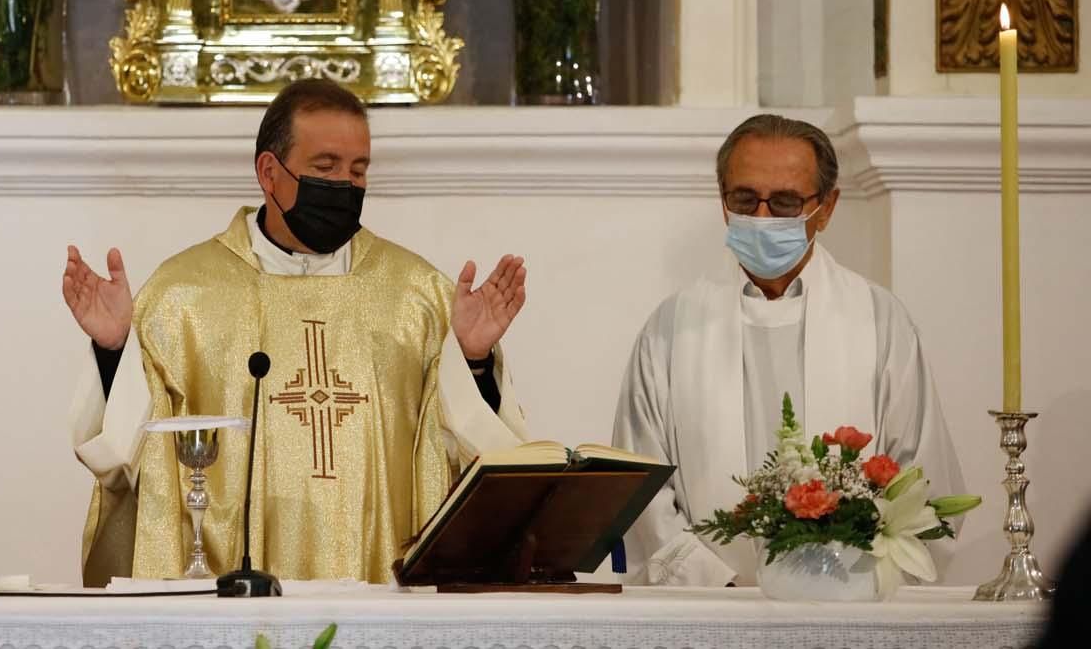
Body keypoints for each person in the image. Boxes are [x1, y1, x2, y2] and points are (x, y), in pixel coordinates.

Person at [66, 80, 530, 585]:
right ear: (270, 172)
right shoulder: (183, 295)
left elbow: (475, 465)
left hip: (379, 591)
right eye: (325, 168)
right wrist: (115, 350)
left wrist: (474, 359)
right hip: (229, 601)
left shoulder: (418, 297)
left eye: (358, 171)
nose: (345, 187)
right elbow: (125, 458)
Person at [612, 114, 963, 586]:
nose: (761, 219)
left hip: (847, 610)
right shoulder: (670, 330)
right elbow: (639, 494)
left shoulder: (880, 323)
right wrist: (722, 590)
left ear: (827, 207)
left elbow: (921, 483)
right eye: (744, 199)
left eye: (784, 202)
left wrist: (847, 583)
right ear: (723, 203)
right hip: (707, 615)